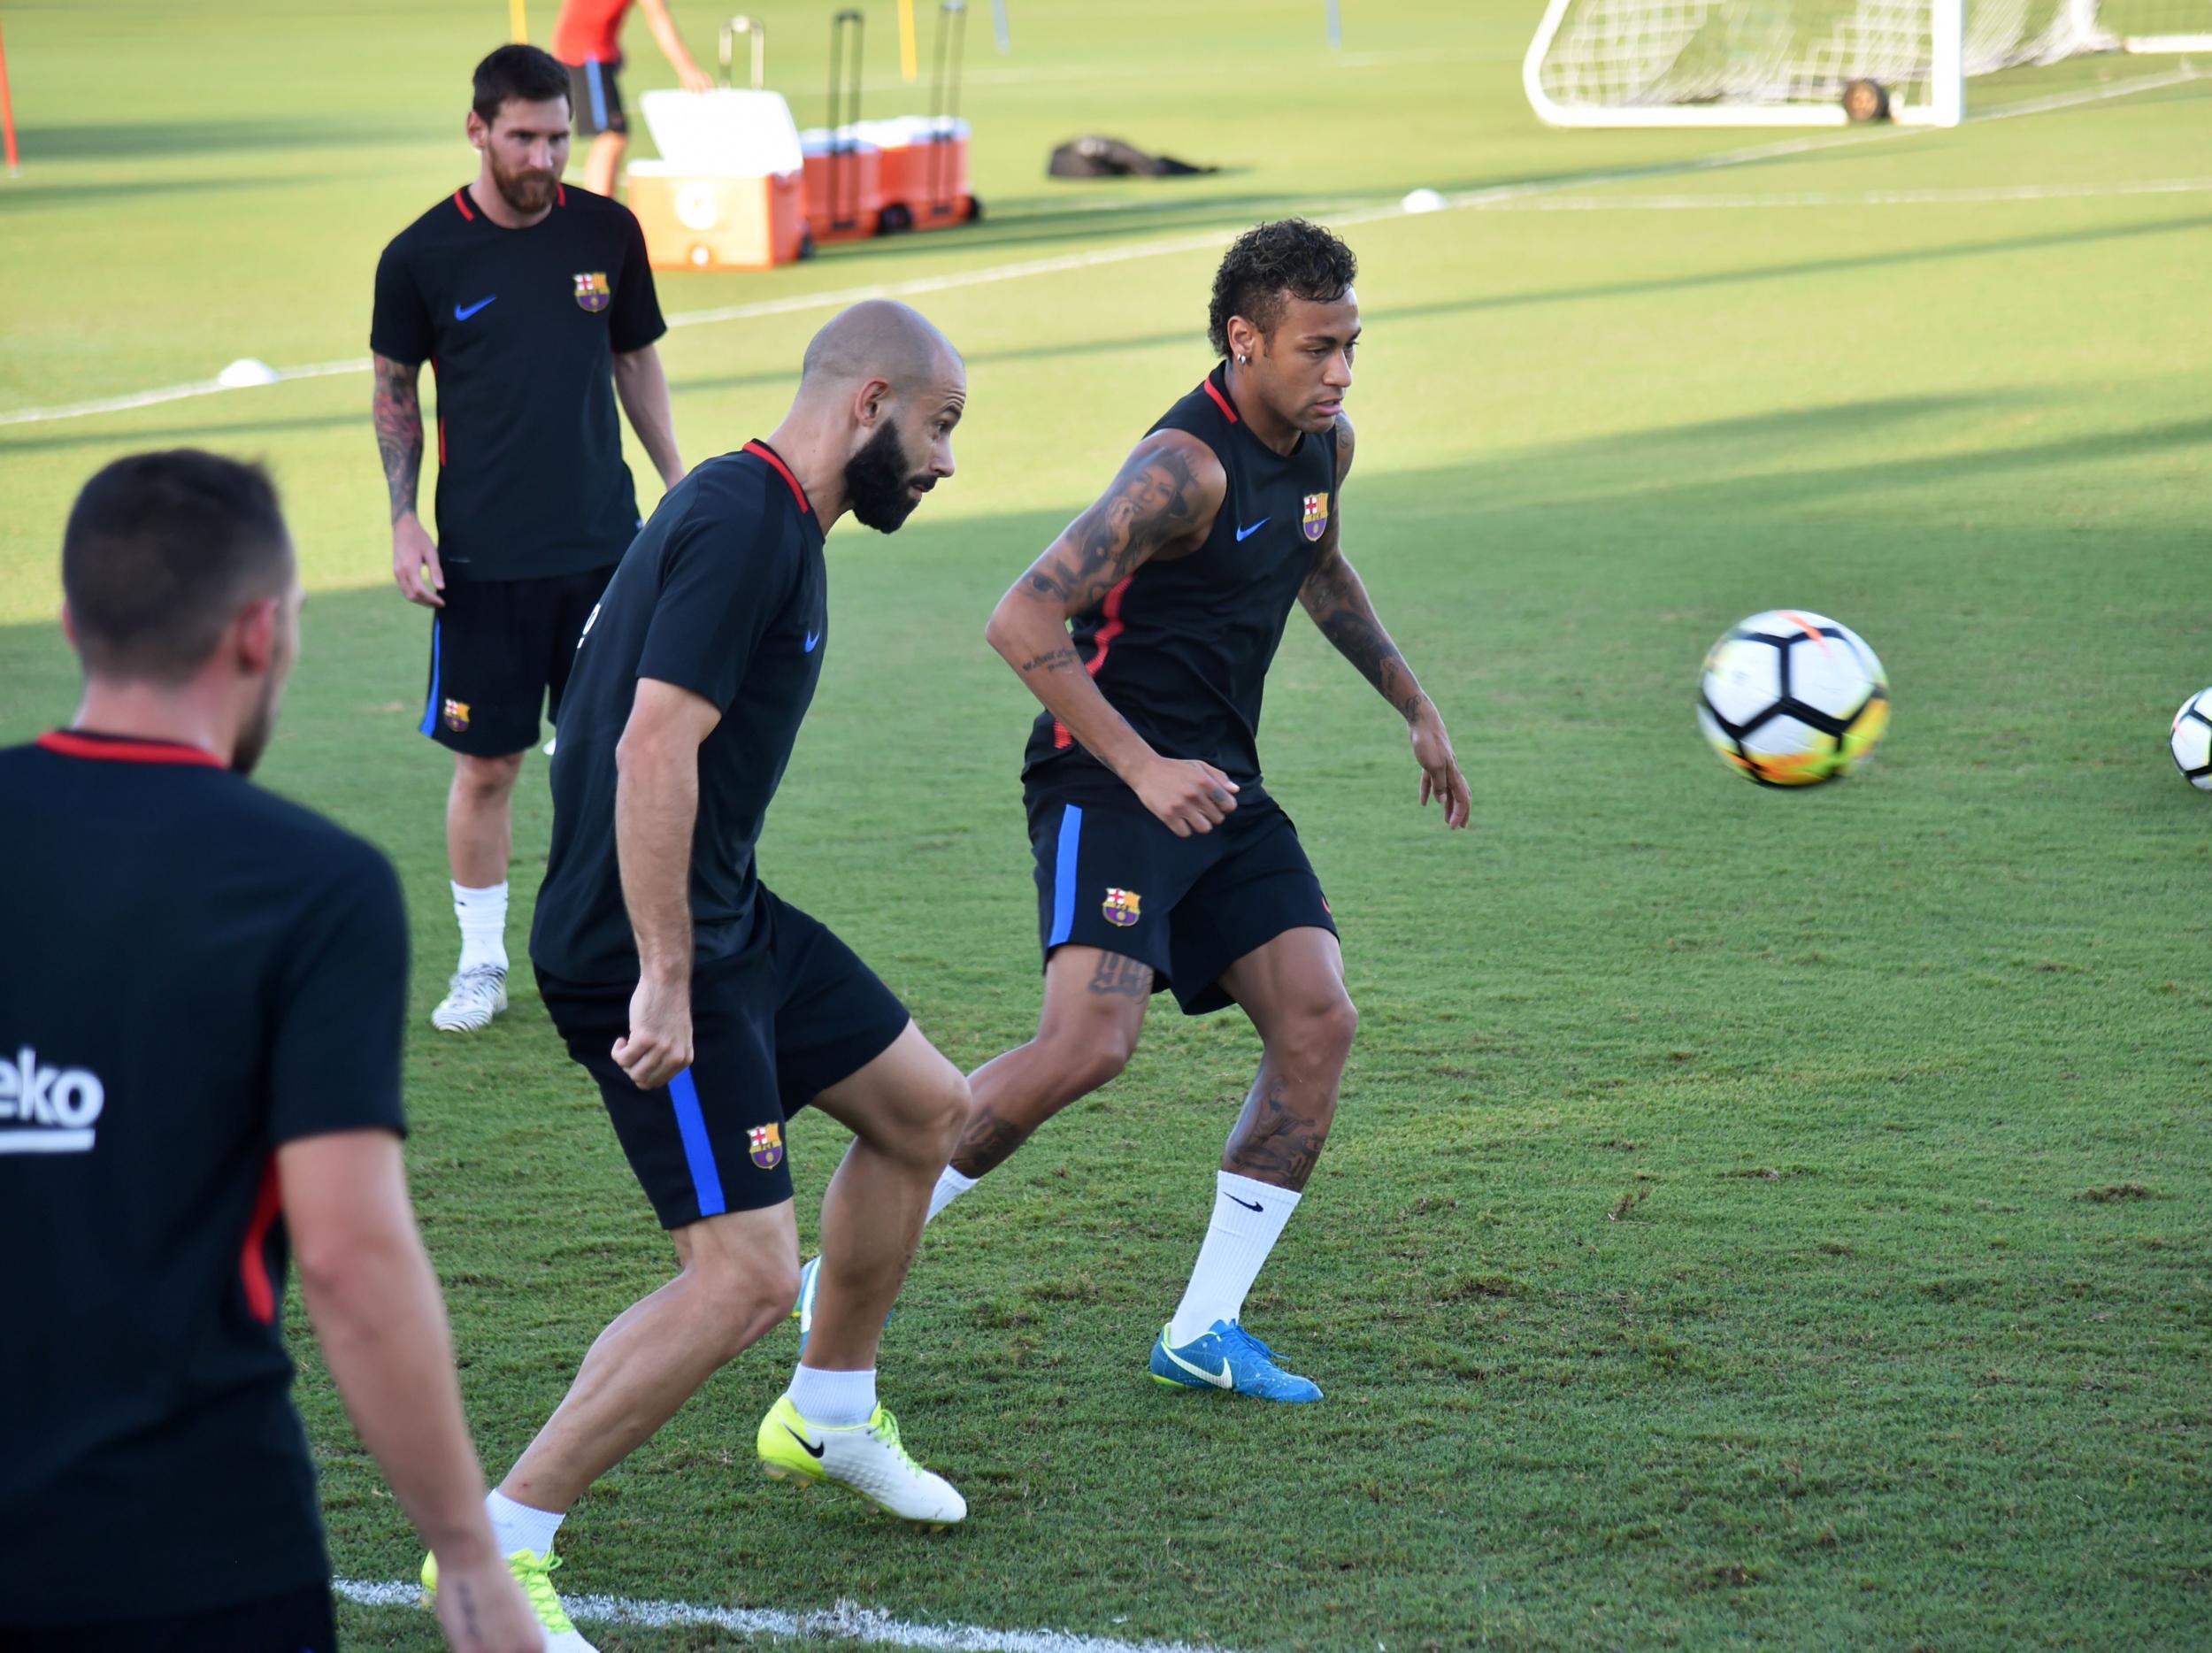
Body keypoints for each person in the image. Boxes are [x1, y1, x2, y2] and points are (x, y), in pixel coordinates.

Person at [442, 301, 973, 1650]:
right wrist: (667, 977)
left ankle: (831, 1413)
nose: (946, 462)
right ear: (869, 403)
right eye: (940, 427)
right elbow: (647, 751)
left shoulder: (754, 510)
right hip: (648, 946)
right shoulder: (745, 523)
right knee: (737, 1278)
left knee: (927, 1114)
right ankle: (501, 1552)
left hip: (724, 916)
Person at [879, 219, 1472, 1403]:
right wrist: (1145, 767)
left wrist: (1415, 705)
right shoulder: (1179, 470)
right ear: (1245, 340)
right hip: (1109, 777)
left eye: (1352, 345)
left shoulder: (1322, 447)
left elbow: (1320, 568)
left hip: (1219, 790)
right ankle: (828, 1273)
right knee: (1085, 1047)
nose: (1341, 373)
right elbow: (1021, 619)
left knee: (1319, 1021)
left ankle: (1204, 1327)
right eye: (1317, 349)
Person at [0, 451, 541, 1653]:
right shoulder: (311, 887)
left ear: (75, 622)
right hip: (191, 1555)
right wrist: (466, 1556)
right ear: (259, 632)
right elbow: (349, 1260)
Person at [373, 42, 686, 1034]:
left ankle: (618, 951)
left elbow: (633, 360)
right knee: (489, 766)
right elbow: (393, 394)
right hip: (481, 561)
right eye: (524, 138)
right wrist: (403, 517)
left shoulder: (608, 230)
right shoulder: (420, 255)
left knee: (617, 757)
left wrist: (678, 482)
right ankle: (480, 962)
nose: (545, 157)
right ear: (478, 130)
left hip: (606, 549)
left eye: (558, 136)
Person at [550, 0, 714, 197]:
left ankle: (600, 208)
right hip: (586, 53)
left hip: (592, 50)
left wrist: (610, 45)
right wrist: (687, 69)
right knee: (611, 135)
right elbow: (658, 17)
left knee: (612, 135)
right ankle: (600, 210)